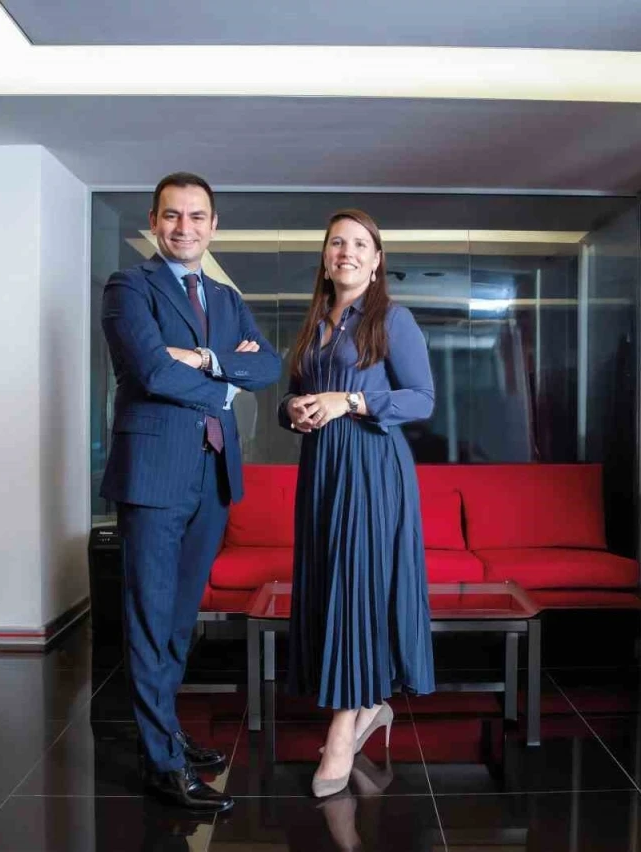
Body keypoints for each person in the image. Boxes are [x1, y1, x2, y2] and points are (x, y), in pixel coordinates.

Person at [101, 172, 282, 812]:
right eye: (172, 215)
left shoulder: (225, 298)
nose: (185, 227)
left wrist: (204, 360)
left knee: (180, 619)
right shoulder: (130, 286)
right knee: (150, 618)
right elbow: (152, 370)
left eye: (197, 216)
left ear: (213, 225)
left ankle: (167, 736)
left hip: (212, 474)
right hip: (154, 474)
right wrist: (229, 381)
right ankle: (161, 764)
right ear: (154, 221)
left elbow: (269, 364)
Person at [279, 209, 436, 798]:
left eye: (359, 244)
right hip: (322, 469)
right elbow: (296, 397)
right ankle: (369, 703)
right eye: (336, 243)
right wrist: (292, 410)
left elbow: (422, 399)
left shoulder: (393, 318)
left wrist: (350, 401)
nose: (346, 251)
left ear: (376, 261)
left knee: (357, 587)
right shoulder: (315, 324)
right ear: (325, 258)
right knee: (330, 585)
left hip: (371, 469)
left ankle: (344, 729)